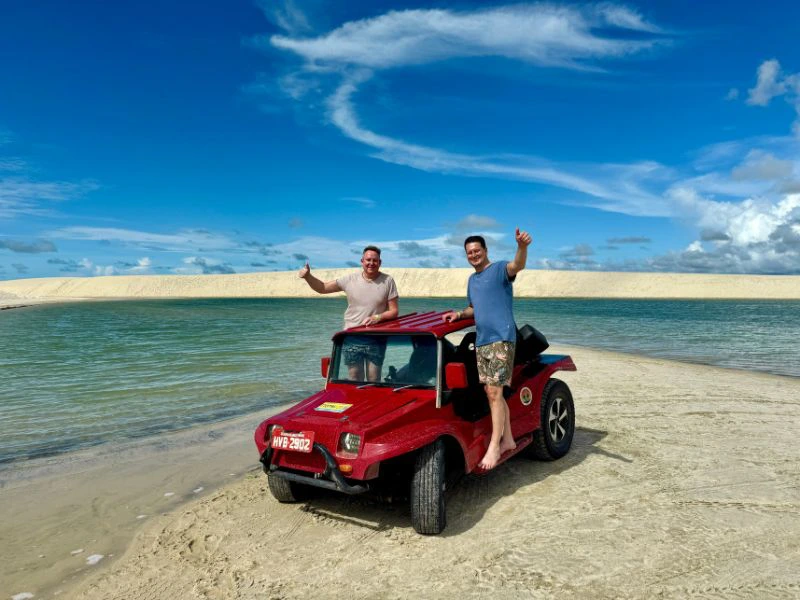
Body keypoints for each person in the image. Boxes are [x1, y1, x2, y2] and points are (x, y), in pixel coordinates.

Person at [442, 227, 532, 470]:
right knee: (493, 392)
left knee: (493, 392)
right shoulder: (472, 280)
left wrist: (522, 247)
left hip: (502, 338)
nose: (474, 255)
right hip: (482, 340)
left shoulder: (500, 269)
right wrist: (459, 314)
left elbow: (517, 266)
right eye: (470, 252)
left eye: (477, 251)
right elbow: (474, 308)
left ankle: (495, 445)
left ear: (485, 251)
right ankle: (510, 439)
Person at [299, 245, 399, 382]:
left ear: (380, 263)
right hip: (351, 337)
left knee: (374, 380)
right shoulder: (349, 280)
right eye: (368, 260)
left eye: (375, 260)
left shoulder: (388, 281)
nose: (371, 263)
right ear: (362, 261)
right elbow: (322, 288)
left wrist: (378, 317)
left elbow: (394, 311)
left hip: (377, 337)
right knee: (354, 379)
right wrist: (308, 277)